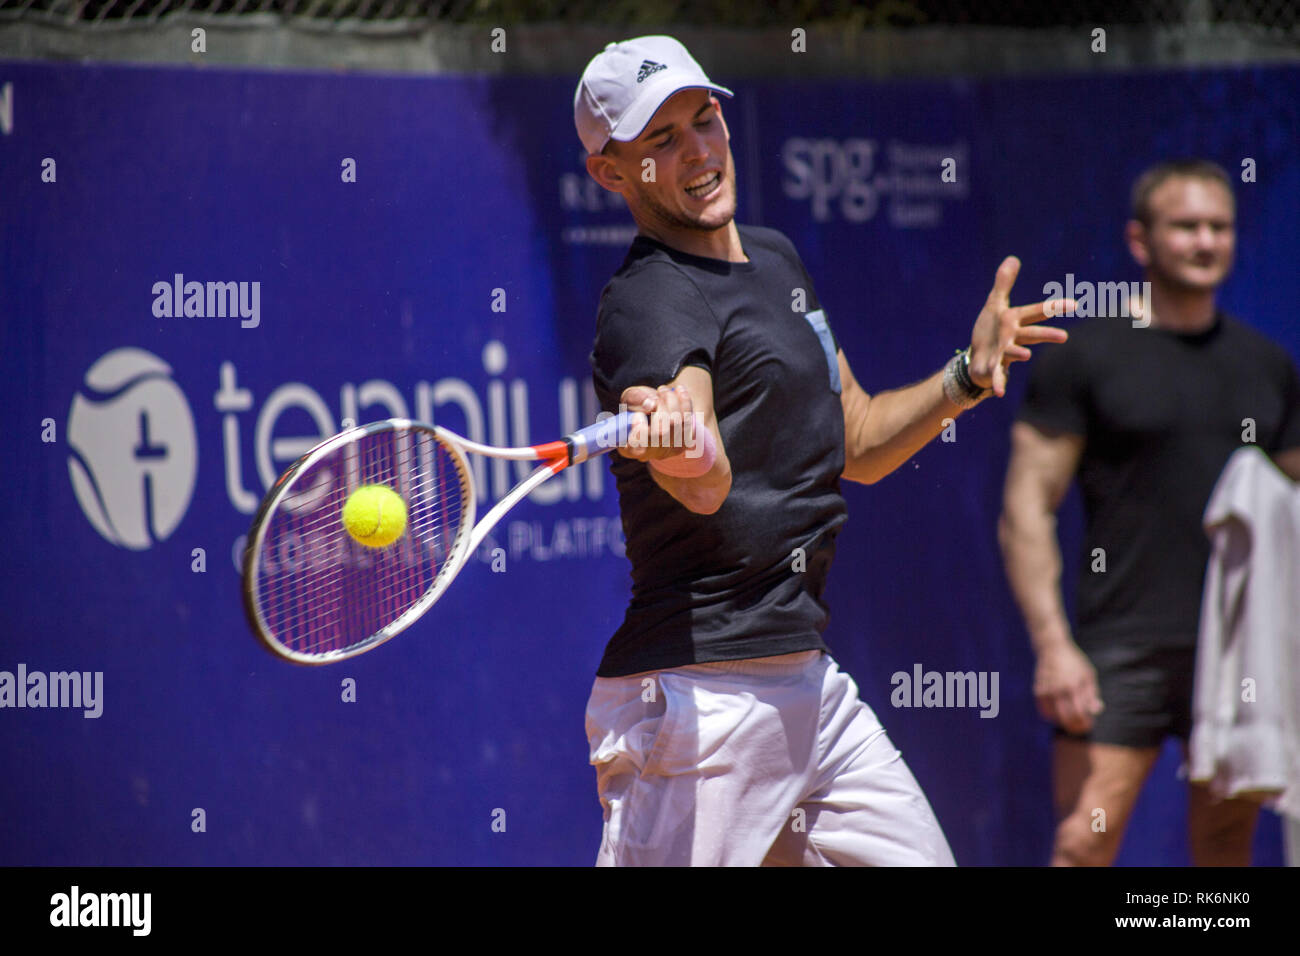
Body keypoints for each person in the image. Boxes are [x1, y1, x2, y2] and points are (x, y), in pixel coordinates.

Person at [576, 34, 1068, 866]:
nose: (697, 150)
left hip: (806, 685)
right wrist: (679, 438)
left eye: (704, 120)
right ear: (612, 173)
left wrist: (964, 377)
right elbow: (703, 485)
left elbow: (858, 438)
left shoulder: (774, 259)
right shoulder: (649, 302)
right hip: (701, 701)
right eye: (661, 140)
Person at [999, 159, 1300, 866]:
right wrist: (1053, 647)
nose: (1205, 241)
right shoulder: (1089, 356)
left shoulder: (1266, 366)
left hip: (1237, 653)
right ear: (1140, 241)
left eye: (1219, 227)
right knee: (1082, 844)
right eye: (1186, 226)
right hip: (1117, 649)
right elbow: (1026, 508)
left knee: (1226, 853)